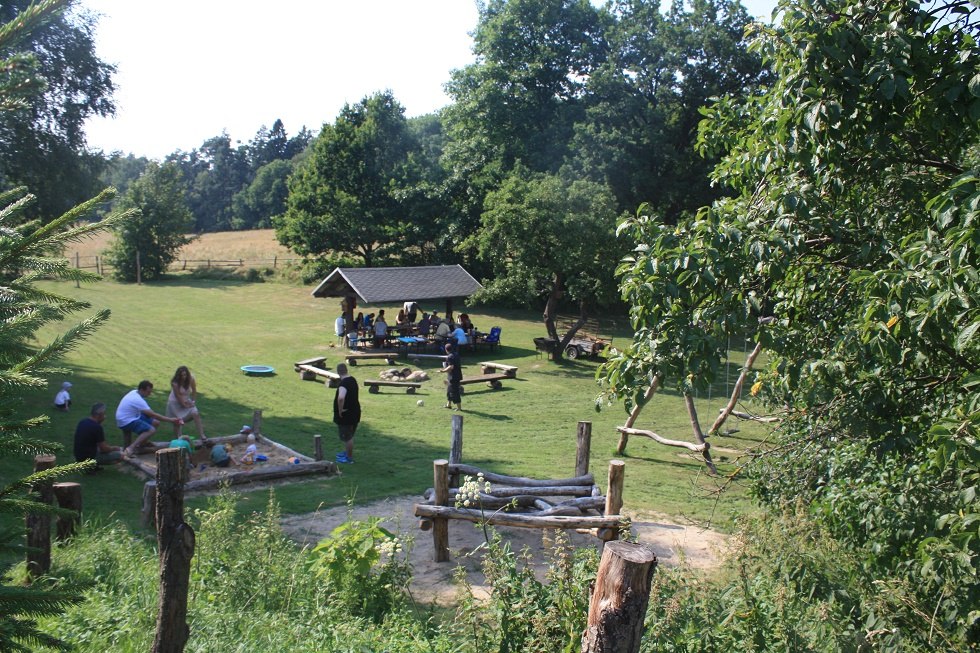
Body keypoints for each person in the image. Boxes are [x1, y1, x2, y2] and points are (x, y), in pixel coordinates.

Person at [116, 380, 182, 456]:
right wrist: (171, 420)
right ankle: (131, 448)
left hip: (130, 416)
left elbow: (150, 413)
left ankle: (142, 443)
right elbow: (153, 414)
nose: (149, 394)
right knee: (151, 430)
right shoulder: (137, 400)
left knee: (156, 422)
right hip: (126, 420)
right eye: (148, 392)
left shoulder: (135, 392)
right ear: (141, 390)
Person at [73, 402, 122, 470]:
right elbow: (104, 449)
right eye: (104, 414)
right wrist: (114, 448)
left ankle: (92, 466)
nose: (105, 416)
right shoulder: (97, 427)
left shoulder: (83, 422)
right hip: (88, 458)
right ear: (99, 415)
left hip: (78, 456)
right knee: (120, 456)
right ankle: (90, 466)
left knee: (99, 449)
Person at [166, 366, 206, 442]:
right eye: (181, 375)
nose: (183, 377)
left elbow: (194, 390)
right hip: (175, 403)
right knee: (177, 422)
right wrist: (185, 405)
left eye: (185, 375)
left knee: (195, 413)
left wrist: (193, 402)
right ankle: (178, 439)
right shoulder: (175, 383)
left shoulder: (191, 379)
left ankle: (202, 435)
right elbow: (178, 396)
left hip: (187, 400)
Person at [333, 363, 360, 464]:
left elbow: (341, 398)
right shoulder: (352, 380)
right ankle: (347, 453)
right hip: (355, 412)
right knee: (350, 434)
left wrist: (340, 410)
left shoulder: (343, 384)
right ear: (346, 370)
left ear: (338, 372)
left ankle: (349, 458)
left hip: (347, 415)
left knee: (348, 437)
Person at [439, 342, 463, 411]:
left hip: (453, 377)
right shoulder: (456, 354)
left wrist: (443, 370)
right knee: (449, 390)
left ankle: (459, 408)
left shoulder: (450, 356)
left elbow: (451, 367)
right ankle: (448, 405)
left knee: (455, 392)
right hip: (456, 375)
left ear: (446, 349)